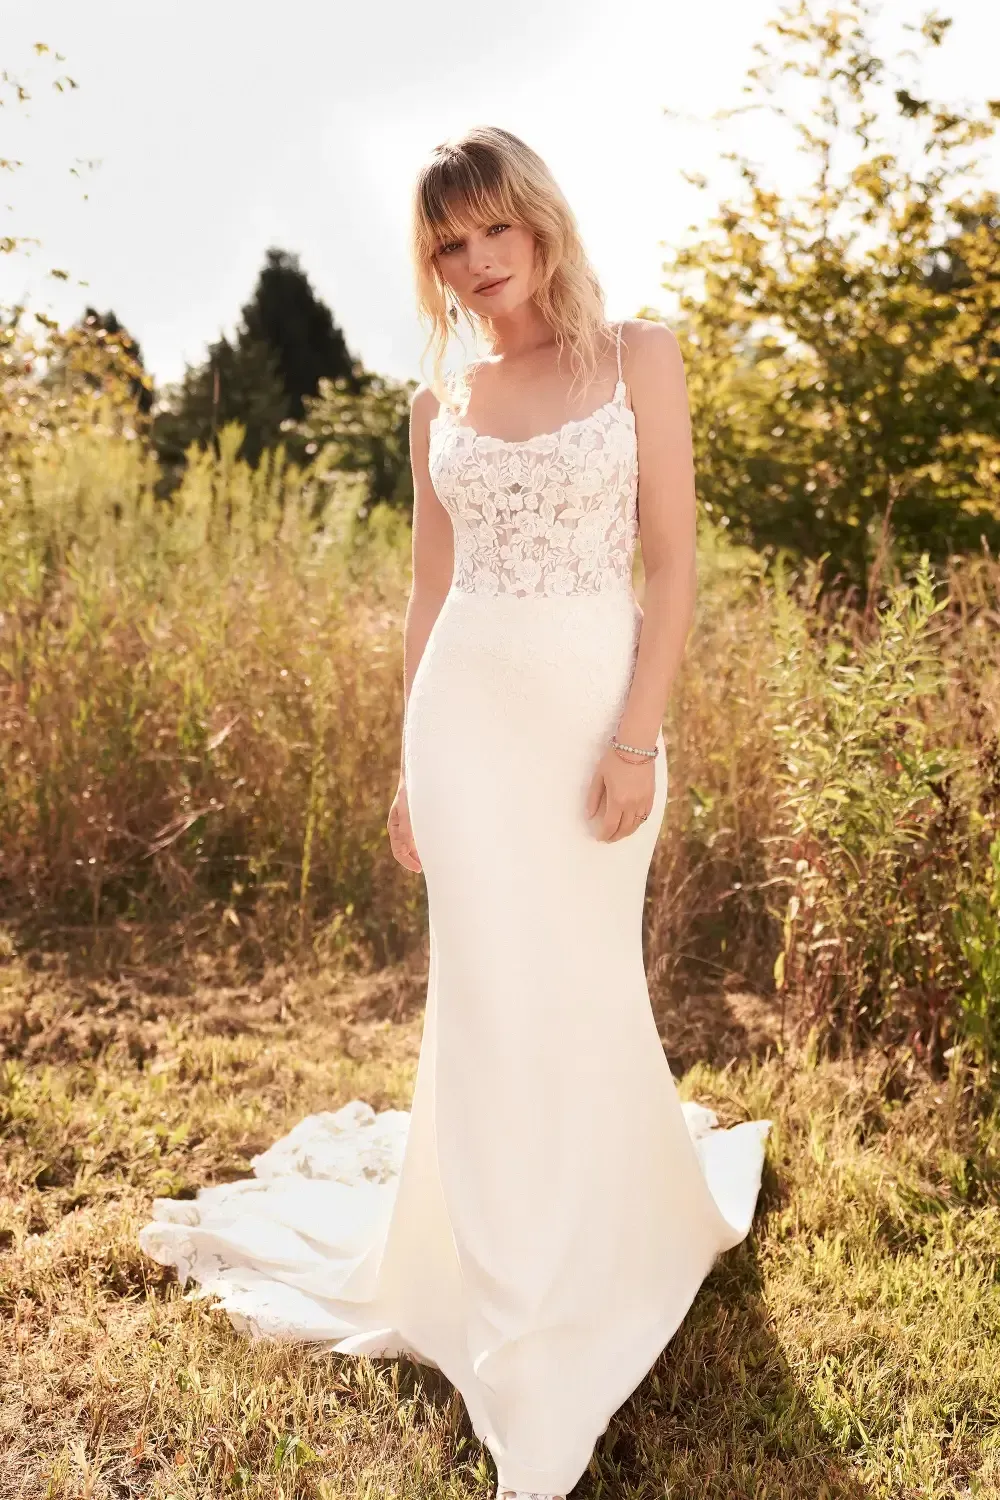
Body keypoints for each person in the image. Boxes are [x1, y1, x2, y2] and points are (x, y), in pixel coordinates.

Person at [140, 125, 772, 1500]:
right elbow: (432, 598)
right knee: (485, 992)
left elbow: (673, 566)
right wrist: (404, 766)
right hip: (467, 725)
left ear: (538, 221)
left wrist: (637, 738)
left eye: (493, 231)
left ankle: (605, 1228)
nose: (476, 264)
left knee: (582, 979)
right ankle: (499, 1274)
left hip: (596, 717)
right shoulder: (442, 406)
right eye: (448, 246)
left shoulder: (641, 357)